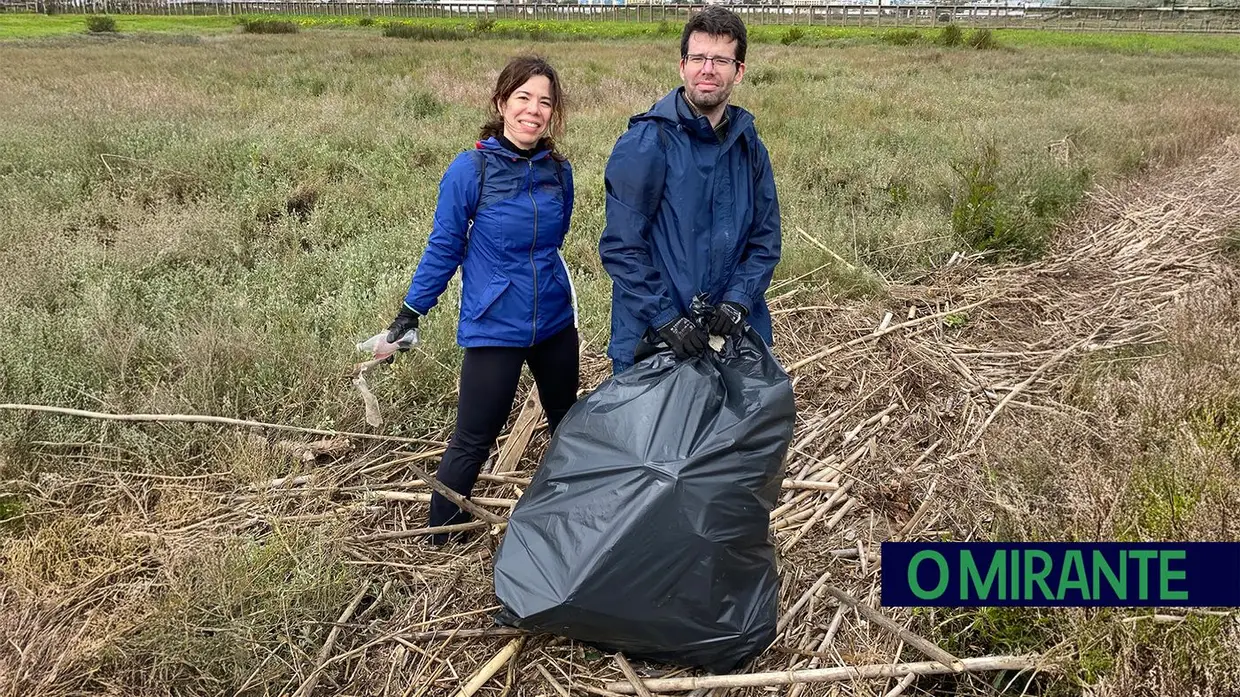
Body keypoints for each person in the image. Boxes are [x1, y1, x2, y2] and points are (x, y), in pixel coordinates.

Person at [385, 56, 579, 545]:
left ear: (553, 114)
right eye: (523, 99)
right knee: (474, 438)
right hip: (495, 325)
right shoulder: (470, 170)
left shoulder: (559, 172)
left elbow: (556, 238)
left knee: (570, 429)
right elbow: (444, 247)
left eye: (545, 102)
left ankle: (575, 526)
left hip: (555, 321)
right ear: (501, 103)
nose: (533, 111)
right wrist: (411, 311)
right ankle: (440, 542)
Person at [598, 6, 781, 375]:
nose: (707, 69)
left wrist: (738, 302)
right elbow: (621, 246)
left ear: (739, 71)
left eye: (720, 59)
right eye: (698, 57)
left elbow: (765, 240)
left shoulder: (748, 146)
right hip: (654, 342)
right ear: (683, 66)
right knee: (656, 434)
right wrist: (666, 318)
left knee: (732, 432)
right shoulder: (647, 142)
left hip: (729, 338)